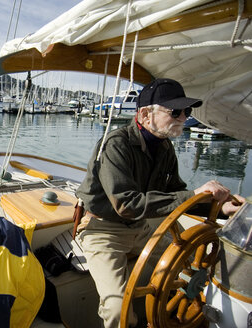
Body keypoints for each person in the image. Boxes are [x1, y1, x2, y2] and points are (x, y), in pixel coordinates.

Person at [74, 78, 245, 328]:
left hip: (139, 227)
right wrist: (194, 193)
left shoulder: (165, 148)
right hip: (103, 231)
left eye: (187, 111)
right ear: (145, 114)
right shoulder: (116, 145)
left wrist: (219, 208)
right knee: (116, 309)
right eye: (175, 111)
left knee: (188, 266)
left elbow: (176, 192)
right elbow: (126, 204)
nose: (184, 117)